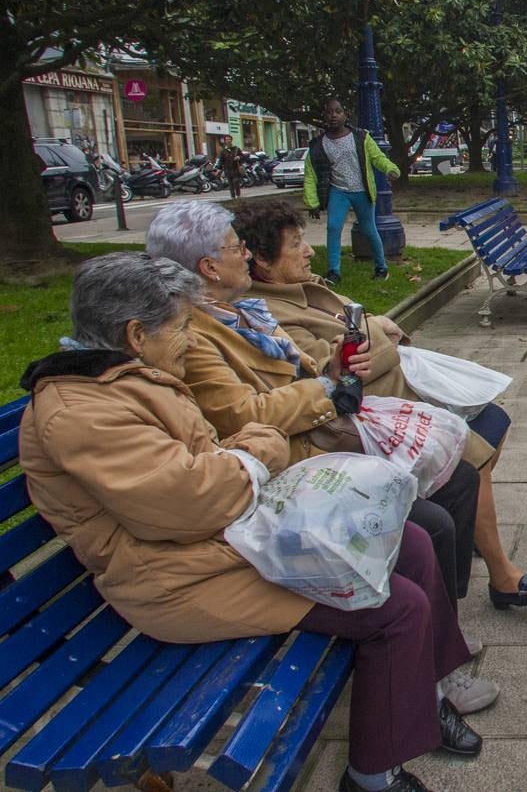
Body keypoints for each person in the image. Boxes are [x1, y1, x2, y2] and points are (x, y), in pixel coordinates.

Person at [19, 252, 483, 792]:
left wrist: (239, 458)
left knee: (412, 542)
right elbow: (197, 501)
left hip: (222, 543)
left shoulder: (125, 379)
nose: (191, 340)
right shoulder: (84, 412)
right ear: (135, 334)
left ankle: (426, 695)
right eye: (182, 327)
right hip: (178, 580)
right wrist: (254, 452)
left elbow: (215, 469)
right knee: (397, 609)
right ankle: (372, 776)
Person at [143, 203, 501, 707]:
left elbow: (304, 367)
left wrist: (330, 370)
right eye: (233, 247)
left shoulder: (243, 310)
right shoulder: (198, 335)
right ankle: (434, 656)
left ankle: (442, 632)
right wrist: (327, 391)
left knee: (458, 479)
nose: (243, 254)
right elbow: (244, 415)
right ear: (207, 267)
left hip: (309, 439)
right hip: (294, 459)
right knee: (429, 522)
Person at [233, 198, 527, 609]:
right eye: (296, 243)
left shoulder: (300, 288)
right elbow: (340, 369)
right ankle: (503, 578)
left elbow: (363, 342)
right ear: (262, 260)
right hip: (369, 415)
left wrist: (377, 334)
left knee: (494, 419)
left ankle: (475, 527)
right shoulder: (271, 313)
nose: (310, 250)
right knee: (472, 461)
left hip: (399, 395)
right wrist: (378, 329)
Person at [302, 97, 399, 286]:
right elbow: (310, 173)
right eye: (329, 112)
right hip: (339, 192)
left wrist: (390, 169)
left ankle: (381, 267)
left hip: (362, 191)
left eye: (337, 111)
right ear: (324, 115)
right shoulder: (318, 144)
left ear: (345, 114)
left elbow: (377, 157)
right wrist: (312, 202)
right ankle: (333, 272)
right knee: (333, 227)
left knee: (369, 229)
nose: (333, 115)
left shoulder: (361, 137)